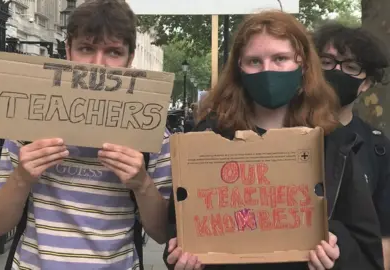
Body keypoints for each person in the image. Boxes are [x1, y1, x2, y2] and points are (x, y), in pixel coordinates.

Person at [163, 10, 384, 270]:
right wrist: (182, 260)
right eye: (254, 61)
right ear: (239, 68)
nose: (267, 71)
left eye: (280, 58)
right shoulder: (205, 141)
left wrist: (337, 250)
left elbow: (369, 255)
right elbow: (178, 232)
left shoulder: (333, 144)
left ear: (301, 64)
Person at [0, 1, 172, 269]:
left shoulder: (151, 133)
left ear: (130, 60)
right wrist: (22, 177)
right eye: (87, 48)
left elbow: (162, 233)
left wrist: (142, 183)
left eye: (113, 52)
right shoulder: (28, 122)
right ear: (68, 52)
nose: (98, 65)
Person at [312, 22, 390, 268]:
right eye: (326, 62)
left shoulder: (379, 149)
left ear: (366, 83)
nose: (336, 71)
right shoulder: (285, 134)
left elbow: (385, 243)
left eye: (351, 67)